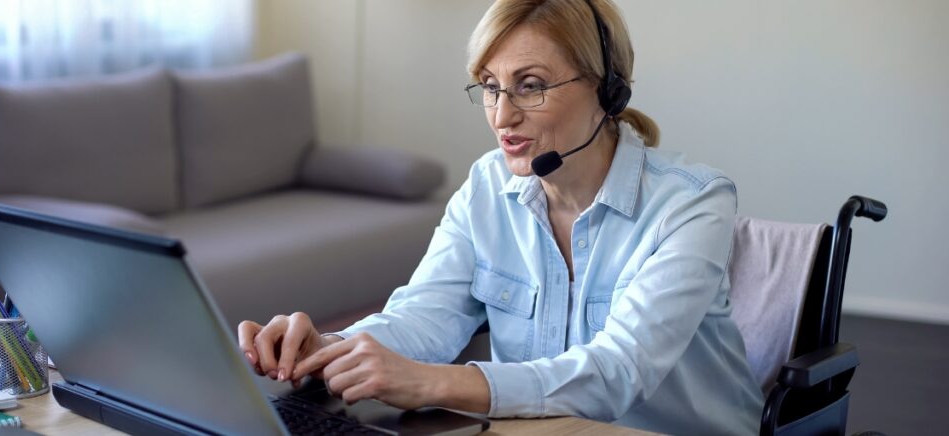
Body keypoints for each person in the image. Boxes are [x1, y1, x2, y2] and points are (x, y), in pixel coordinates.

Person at [238, 0, 764, 434]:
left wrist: (432, 383)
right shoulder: (488, 187)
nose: (501, 114)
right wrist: (332, 350)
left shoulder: (693, 203)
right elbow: (424, 316)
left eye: (530, 85)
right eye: (490, 85)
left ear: (608, 90)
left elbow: (617, 372)